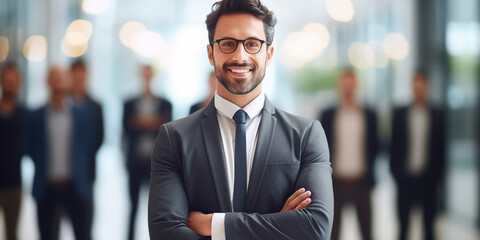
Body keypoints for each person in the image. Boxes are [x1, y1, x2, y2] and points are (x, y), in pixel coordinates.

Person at [148, 0, 334, 239]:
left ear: (269, 54)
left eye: (252, 44)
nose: (240, 55)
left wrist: (214, 224)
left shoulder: (306, 136)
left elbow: (315, 228)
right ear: (210, 53)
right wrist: (279, 224)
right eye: (227, 44)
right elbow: (165, 232)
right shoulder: (174, 139)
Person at [26, 66, 96, 240]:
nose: (57, 82)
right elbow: (29, 148)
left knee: (83, 234)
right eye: (53, 77)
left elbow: (89, 146)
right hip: (46, 187)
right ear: (47, 81)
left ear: (69, 81)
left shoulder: (83, 115)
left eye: (61, 77)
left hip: (75, 186)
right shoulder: (35, 116)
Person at [319, 69, 378, 240]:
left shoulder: (368, 114)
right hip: (335, 183)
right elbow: (319, 149)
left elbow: (375, 146)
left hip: (361, 183)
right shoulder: (328, 114)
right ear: (339, 86)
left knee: (367, 232)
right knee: (332, 233)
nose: (348, 88)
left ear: (356, 85)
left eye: (351, 84)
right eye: (344, 84)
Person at [390, 70, 445, 240]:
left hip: (428, 181)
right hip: (405, 180)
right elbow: (393, 146)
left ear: (426, 88)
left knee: (429, 228)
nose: (419, 90)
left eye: (422, 87)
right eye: (416, 86)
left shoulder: (437, 115)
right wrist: (396, 174)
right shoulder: (400, 114)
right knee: (403, 228)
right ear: (412, 87)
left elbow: (441, 150)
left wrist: (437, 176)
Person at [122, 65, 172, 240]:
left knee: (158, 209)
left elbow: (167, 130)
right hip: (135, 162)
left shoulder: (166, 103)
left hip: (156, 165)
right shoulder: (129, 103)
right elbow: (127, 128)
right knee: (133, 207)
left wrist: (140, 121)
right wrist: (154, 121)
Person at [70, 59, 104, 236]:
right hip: (60, 175)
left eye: (82, 75)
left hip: (86, 172)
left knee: (85, 227)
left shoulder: (95, 106)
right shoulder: (62, 102)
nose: (79, 79)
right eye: (75, 75)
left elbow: (99, 138)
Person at [0, 64, 25, 240]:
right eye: (6, 80)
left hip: (14, 183)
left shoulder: (24, 115)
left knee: (12, 234)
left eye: (13, 80)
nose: (9, 83)